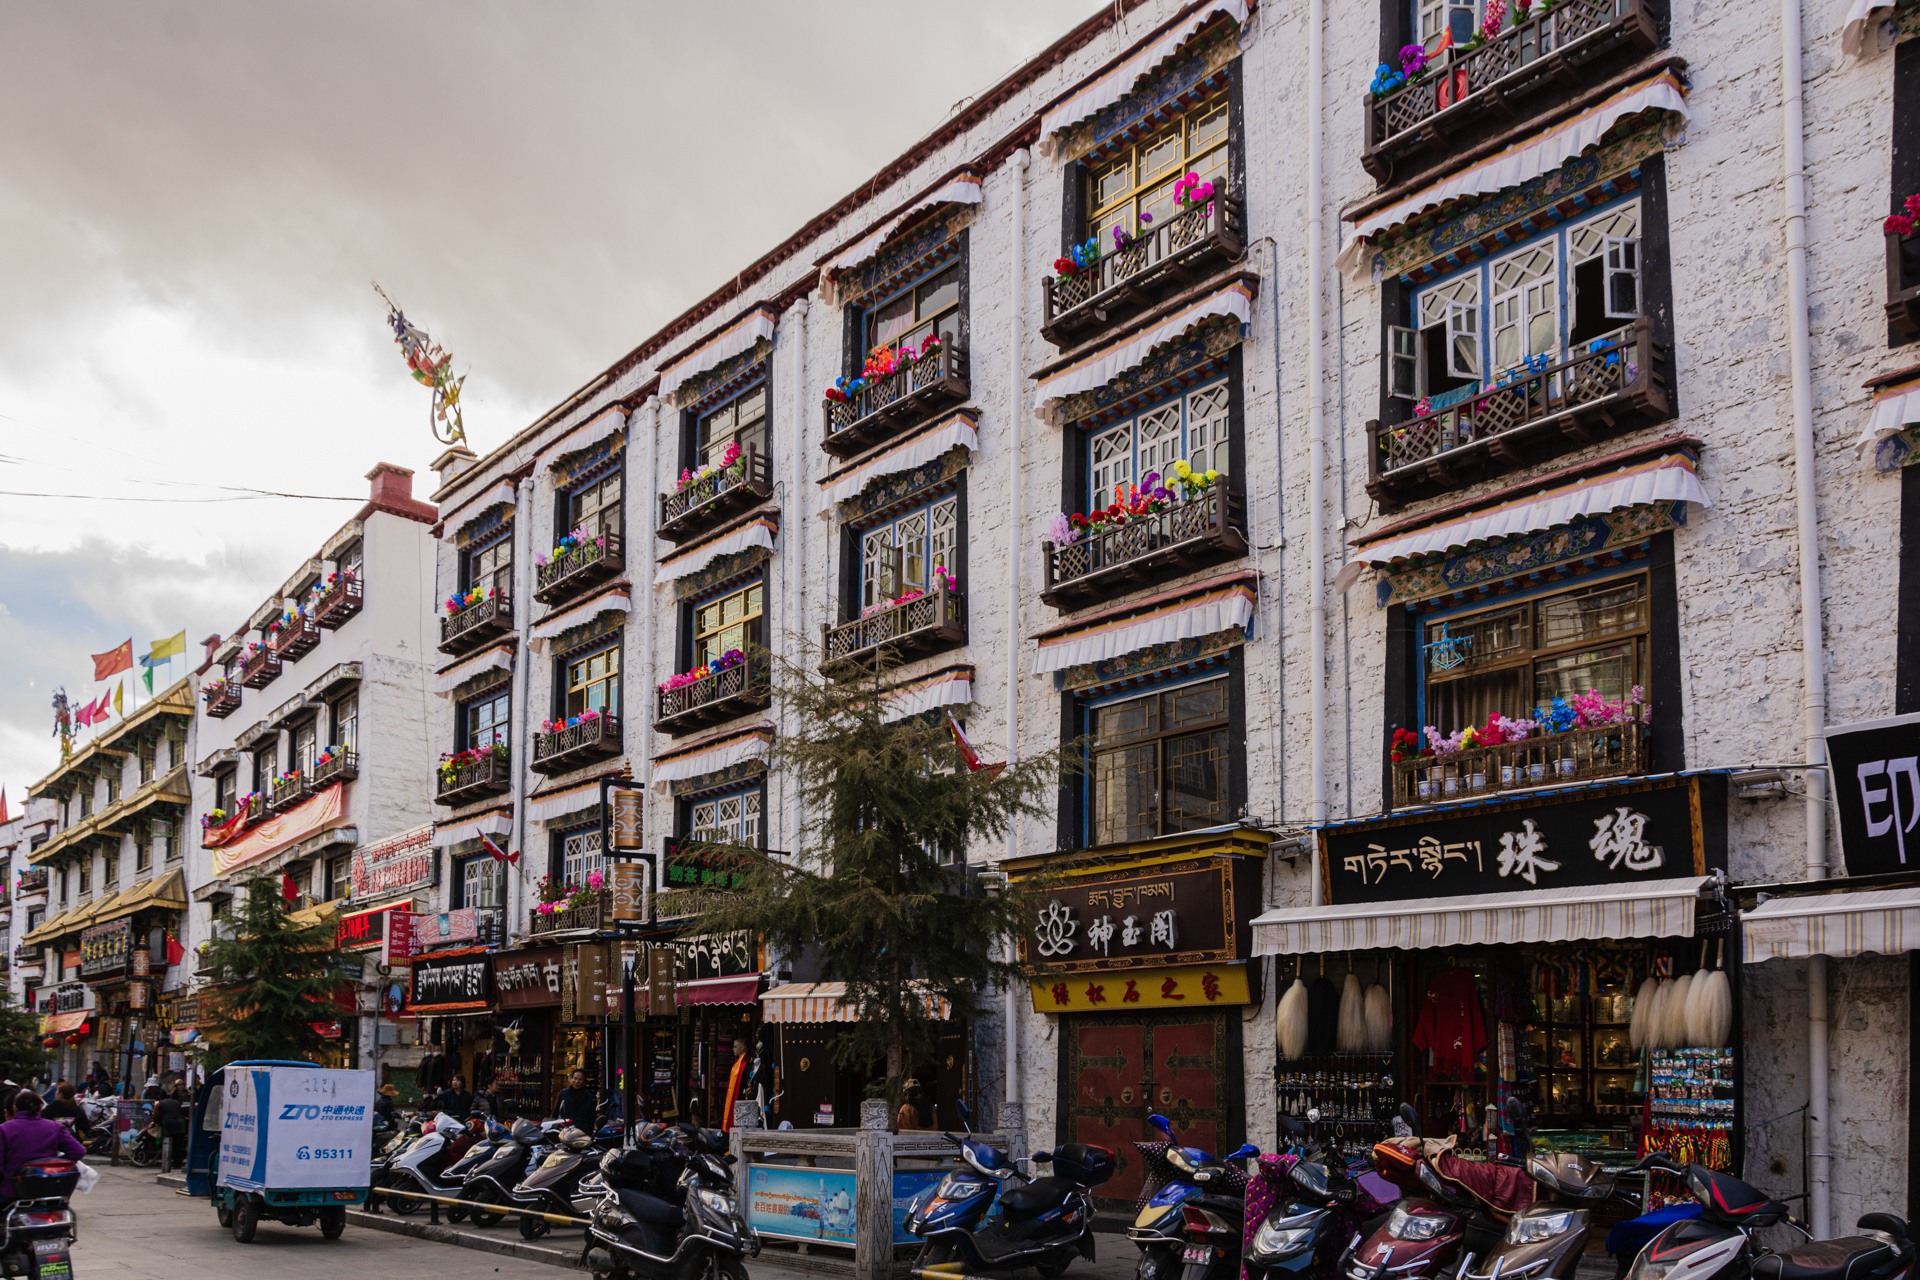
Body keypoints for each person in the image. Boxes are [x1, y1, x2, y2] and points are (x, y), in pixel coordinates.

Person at [0, 1091, 84, 1199]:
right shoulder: (55, 1127)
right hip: (49, 1188)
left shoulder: (4, 1129)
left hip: (12, 1190)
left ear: (14, 1108)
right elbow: (78, 1151)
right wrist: (56, 1163)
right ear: (40, 1109)